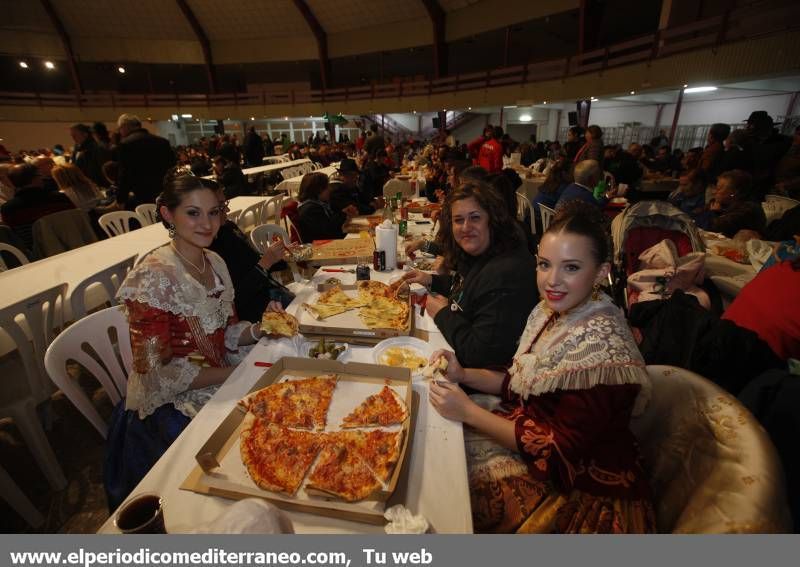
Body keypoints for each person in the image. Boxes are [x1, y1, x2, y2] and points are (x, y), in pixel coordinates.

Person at [428, 200, 654, 533]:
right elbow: (521, 382)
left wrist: (468, 413)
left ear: (602, 272)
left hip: (585, 493)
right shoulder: (556, 311)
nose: (552, 281)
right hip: (540, 440)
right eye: (545, 264)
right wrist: (462, 374)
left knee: (443, 495)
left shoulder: (602, 349)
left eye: (571, 268)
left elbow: (557, 449)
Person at [105, 172, 280, 510]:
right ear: (167, 214)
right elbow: (156, 374)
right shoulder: (153, 277)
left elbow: (225, 332)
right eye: (193, 212)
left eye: (214, 212)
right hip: (170, 410)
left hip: (220, 377)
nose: (207, 224)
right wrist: (235, 374)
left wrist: (260, 329)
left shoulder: (214, 261)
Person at [394, 181, 538, 368]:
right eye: (458, 220)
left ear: (492, 219)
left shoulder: (506, 275)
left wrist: (442, 314)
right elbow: (470, 289)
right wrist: (430, 280)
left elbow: (478, 355)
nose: (465, 227)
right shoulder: (488, 251)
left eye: (475, 217)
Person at [208, 185, 294, 323]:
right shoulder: (208, 250)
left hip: (270, 295)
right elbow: (234, 302)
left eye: (225, 204)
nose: (228, 210)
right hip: (254, 315)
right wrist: (265, 263)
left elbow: (252, 261)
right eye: (220, 206)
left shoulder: (228, 228)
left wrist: (278, 258)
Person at [0, 163, 75, 250]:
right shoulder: (60, 198)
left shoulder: (8, 209)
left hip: (37, 256)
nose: (42, 178)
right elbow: (76, 223)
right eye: (39, 175)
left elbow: (15, 238)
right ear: (35, 179)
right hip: (72, 246)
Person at [115, 113, 176, 209]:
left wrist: (121, 198)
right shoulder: (162, 141)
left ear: (125, 127)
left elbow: (124, 174)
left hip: (142, 195)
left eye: (119, 128)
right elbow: (172, 167)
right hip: (165, 191)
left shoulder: (125, 144)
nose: (120, 132)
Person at [701, 169, 767, 237]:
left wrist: (714, 213)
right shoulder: (726, 203)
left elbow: (711, 228)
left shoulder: (747, 209)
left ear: (734, 192)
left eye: (719, 188)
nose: (714, 192)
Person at [296, 171, 354, 243]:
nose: (330, 190)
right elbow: (329, 232)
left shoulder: (318, 204)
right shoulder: (310, 209)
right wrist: (343, 215)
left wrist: (343, 213)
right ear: (318, 190)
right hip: (320, 248)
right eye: (326, 187)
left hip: (326, 242)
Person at [70, 123, 110, 188]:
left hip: (95, 185)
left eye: (75, 135)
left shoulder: (96, 148)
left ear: (85, 134)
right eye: (72, 136)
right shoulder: (77, 147)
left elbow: (100, 169)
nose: (73, 138)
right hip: (82, 185)